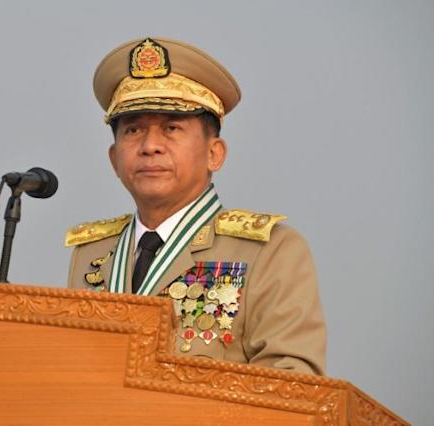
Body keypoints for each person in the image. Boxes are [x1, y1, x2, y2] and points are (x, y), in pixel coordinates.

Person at [65, 37, 326, 375]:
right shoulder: (92, 253)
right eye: (134, 130)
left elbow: (292, 382)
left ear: (214, 153)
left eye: (171, 128)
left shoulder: (270, 251)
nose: (150, 146)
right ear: (115, 160)